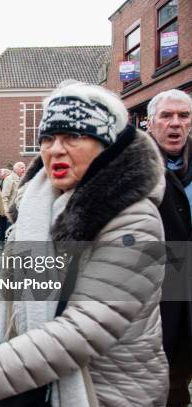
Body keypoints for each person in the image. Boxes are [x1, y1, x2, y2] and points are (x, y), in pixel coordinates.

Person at [0, 82, 168, 406]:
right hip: (37, 386)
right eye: (48, 138)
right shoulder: (37, 205)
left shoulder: (136, 221)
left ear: (106, 146)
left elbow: (83, 330)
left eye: (74, 136)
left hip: (105, 393)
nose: (56, 149)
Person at [147, 89, 192, 406]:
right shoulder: (133, 169)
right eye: (166, 116)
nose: (175, 123)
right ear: (150, 123)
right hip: (160, 296)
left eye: (184, 115)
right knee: (167, 383)